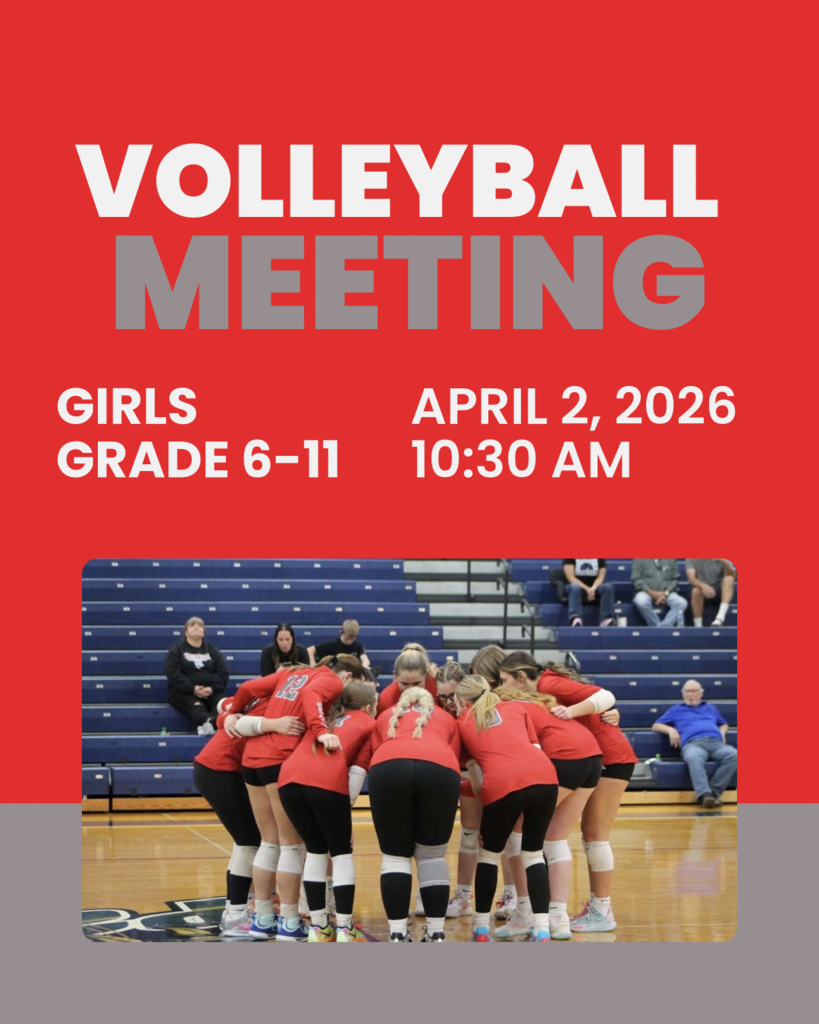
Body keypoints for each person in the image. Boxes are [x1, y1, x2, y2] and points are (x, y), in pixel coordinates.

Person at [223, 655, 369, 940]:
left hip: (253, 757)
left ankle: (262, 918)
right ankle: (290, 921)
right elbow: (313, 694)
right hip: (280, 758)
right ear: (348, 677)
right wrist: (320, 730)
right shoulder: (328, 679)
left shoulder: (290, 674)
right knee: (291, 847)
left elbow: (250, 687)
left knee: (268, 841)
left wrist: (233, 710)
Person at [499, 653, 636, 934]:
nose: (504, 687)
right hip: (592, 755)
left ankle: (601, 909)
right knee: (558, 833)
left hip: (609, 757)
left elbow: (605, 696)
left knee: (594, 835)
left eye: (504, 681)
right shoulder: (544, 690)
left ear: (521, 677)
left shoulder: (547, 683)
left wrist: (571, 712)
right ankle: (555, 911)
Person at [492, 683, 603, 940]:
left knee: (516, 830)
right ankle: (558, 917)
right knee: (556, 837)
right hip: (592, 757)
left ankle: (525, 912)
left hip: (563, 758)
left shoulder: (506, 708)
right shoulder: (541, 704)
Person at [455, 675, 559, 943]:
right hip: (545, 777)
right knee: (534, 855)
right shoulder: (517, 708)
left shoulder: (463, 721)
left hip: (502, 784)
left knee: (489, 855)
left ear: (464, 701)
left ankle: (480, 929)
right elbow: (534, 749)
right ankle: (543, 929)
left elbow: (475, 776)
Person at [193, 694, 305, 937]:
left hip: (221, 768)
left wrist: (225, 713)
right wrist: (226, 714)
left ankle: (240, 908)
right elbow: (225, 703)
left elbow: (226, 703)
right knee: (249, 843)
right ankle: (235, 915)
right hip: (221, 768)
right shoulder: (280, 701)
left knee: (248, 842)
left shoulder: (279, 698)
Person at [278, 681, 378, 942]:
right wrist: (344, 819)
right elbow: (356, 776)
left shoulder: (329, 716)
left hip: (287, 782)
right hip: (325, 784)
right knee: (342, 853)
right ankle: (345, 928)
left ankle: (319, 928)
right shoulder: (370, 724)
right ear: (368, 706)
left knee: (315, 850)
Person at [368, 687, 462, 942]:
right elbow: (456, 755)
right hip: (440, 769)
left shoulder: (386, 714)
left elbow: (377, 749)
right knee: (432, 856)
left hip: (388, 767)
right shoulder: (445, 717)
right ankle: (435, 932)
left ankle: (397, 933)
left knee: (395, 856)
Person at [652, 680, 737, 808]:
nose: (690, 694)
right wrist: (671, 729)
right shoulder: (676, 710)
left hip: (716, 743)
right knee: (693, 758)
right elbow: (656, 725)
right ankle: (705, 794)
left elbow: (723, 723)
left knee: (735, 755)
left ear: (700, 693)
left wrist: (722, 732)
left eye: (694, 691)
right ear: (683, 693)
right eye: (687, 691)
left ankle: (712, 794)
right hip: (693, 744)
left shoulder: (710, 708)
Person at [165, 617, 230, 735]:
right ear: (185, 632)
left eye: (200, 626)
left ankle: (209, 727)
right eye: (192, 625)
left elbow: (223, 671)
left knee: (222, 703)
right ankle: (212, 723)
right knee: (196, 706)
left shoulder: (212, 649)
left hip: (210, 690)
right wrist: (192, 689)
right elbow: (172, 672)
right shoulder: (177, 649)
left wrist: (212, 688)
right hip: (184, 692)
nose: (197, 627)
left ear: (204, 632)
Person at [377, 645, 439, 714]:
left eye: (416, 683)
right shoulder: (386, 699)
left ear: (426, 675)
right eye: (405, 684)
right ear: (396, 676)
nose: (411, 689)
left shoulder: (440, 686)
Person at [631, 558, 688, 627]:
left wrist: (666, 593)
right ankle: (658, 628)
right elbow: (636, 579)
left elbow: (675, 579)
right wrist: (652, 593)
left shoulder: (671, 558)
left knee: (682, 603)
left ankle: (662, 628)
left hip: (666, 593)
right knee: (641, 601)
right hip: (645, 592)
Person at [563, 559, 615, 627]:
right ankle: (575, 618)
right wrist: (587, 589)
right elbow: (571, 577)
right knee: (574, 587)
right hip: (577, 587)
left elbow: (601, 577)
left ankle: (606, 619)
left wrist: (593, 588)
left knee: (608, 587)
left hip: (595, 587)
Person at [685, 559, 736, 626]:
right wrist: (703, 586)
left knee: (729, 579)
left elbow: (732, 576)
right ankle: (698, 626)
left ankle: (720, 618)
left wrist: (725, 562)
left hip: (719, 590)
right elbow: (691, 578)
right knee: (696, 591)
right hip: (702, 589)